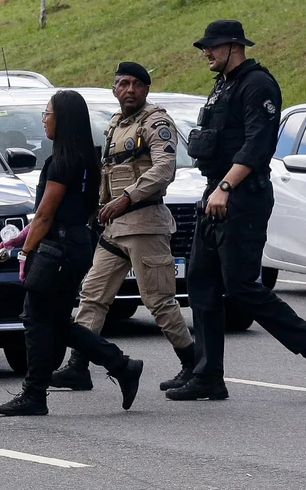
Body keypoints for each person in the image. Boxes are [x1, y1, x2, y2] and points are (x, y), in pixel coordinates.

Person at [167, 20, 306, 402]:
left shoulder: (258, 84)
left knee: (241, 286)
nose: (206, 53)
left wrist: (227, 187)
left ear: (233, 46)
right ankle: (208, 374)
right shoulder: (223, 85)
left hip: (242, 196)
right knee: (201, 283)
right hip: (215, 193)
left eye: (211, 47)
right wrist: (216, 189)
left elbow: (258, 143)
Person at [49, 62, 197, 394]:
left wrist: (126, 198)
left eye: (136, 84)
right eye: (122, 84)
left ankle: (193, 364)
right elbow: (108, 172)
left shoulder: (156, 122)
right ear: (114, 89)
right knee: (93, 295)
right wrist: (97, 208)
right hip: (114, 228)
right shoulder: (116, 124)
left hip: (145, 224)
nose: (129, 90)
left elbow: (164, 168)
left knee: (158, 301)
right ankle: (77, 366)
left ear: (146, 88)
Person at [0, 90, 144, 416]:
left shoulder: (61, 162)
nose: (44, 120)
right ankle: (122, 365)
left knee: (35, 320)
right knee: (58, 323)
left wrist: (25, 253)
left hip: (56, 250)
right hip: (77, 244)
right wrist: (21, 240)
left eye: (47, 114)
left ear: (61, 120)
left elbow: (45, 215)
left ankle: (34, 395)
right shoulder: (89, 158)